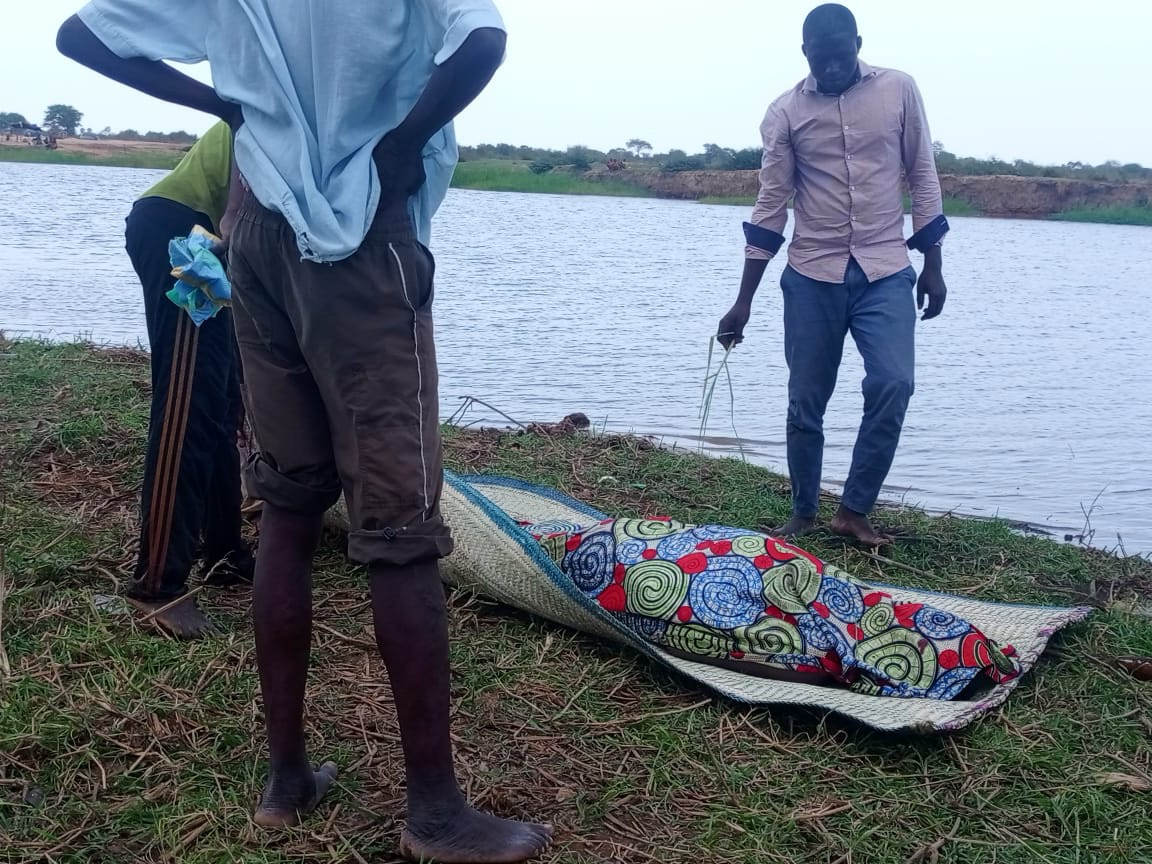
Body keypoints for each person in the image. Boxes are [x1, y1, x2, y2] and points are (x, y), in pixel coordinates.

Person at [57, 2, 553, 861]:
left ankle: (287, 781)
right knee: (399, 530)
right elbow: (483, 41)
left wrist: (225, 107)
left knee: (287, 508)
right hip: (359, 231)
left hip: (254, 226)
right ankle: (435, 814)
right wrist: (400, 143)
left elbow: (80, 35)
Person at [717, 3, 949, 546]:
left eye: (841, 57)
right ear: (805, 54)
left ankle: (854, 510)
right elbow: (771, 202)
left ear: (858, 44)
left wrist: (933, 263)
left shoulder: (898, 89)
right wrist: (742, 300)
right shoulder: (785, 113)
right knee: (806, 398)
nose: (832, 69)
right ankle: (802, 512)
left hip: (887, 268)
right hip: (811, 273)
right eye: (821, 59)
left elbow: (922, 172)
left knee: (893, 382)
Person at [521, 514, 1020, 700]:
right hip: (688, 551)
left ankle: (558, 541)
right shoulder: (818, 651)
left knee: (613, 553)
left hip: (659, 559)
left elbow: (705, 634)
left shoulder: (811, 657)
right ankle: (556, 540)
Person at [123, 120, 253, 639]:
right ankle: (157, 587)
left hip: (214, 243)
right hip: (188, 240)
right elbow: (239, 216)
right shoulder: (272, 103)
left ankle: (224, 554)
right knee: (188, 404)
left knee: (222, 404)